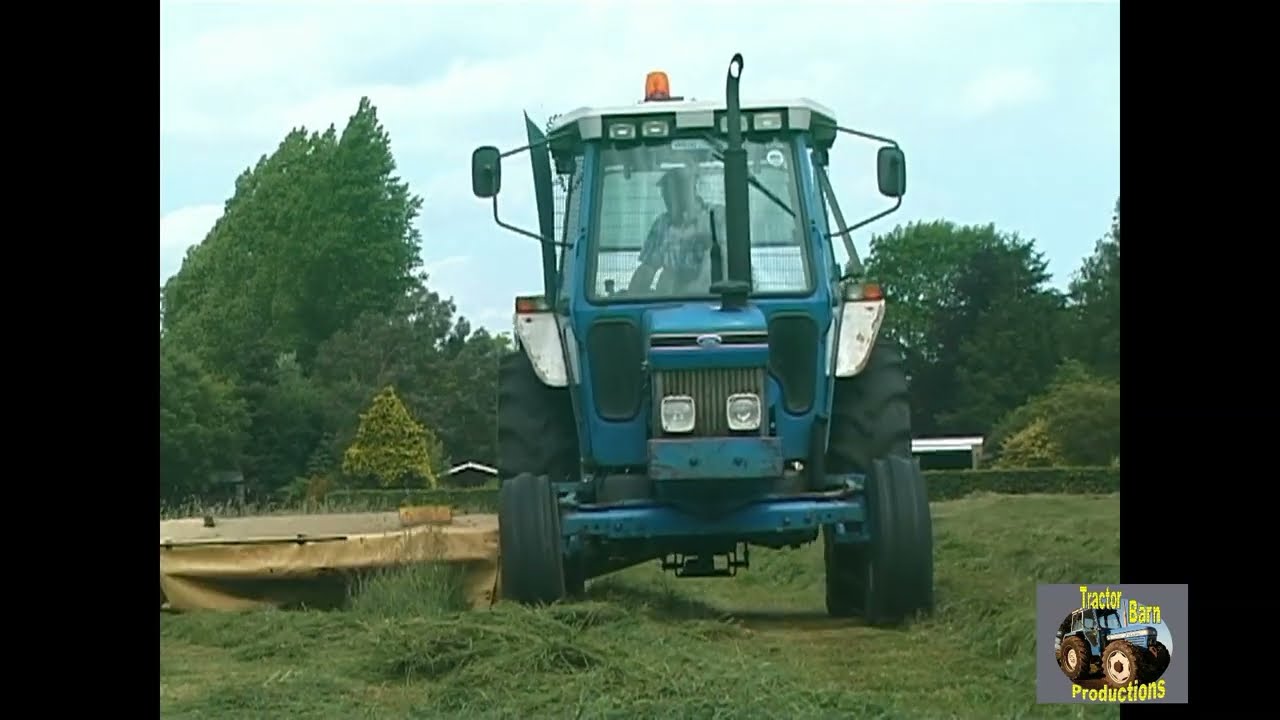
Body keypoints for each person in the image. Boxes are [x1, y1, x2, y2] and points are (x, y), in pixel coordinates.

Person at [627, 165, 727, 295]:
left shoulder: (716, 216)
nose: (666, 199)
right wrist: (631, 295)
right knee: (667, 276)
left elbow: (728, 260)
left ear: (690, 190)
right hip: (672, 300)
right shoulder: (662, 224)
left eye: (671, 193)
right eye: (665, 193)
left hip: (712, 299)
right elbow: (648, 267)